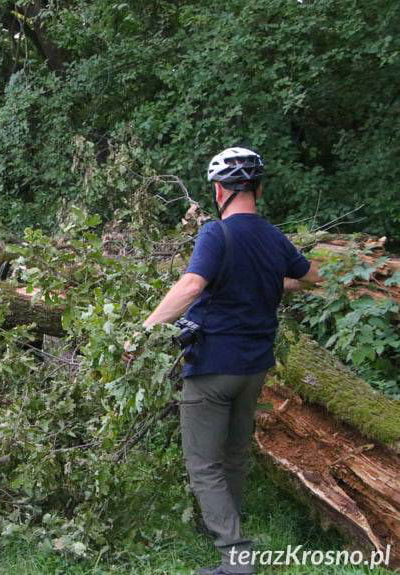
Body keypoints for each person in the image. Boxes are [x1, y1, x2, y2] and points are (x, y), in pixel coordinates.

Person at [143, 147, 321, 575]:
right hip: (255, 366)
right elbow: (313, 277)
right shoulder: (273, 236)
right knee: (234, 454)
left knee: (203, 463)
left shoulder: (215, 234)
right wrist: (267, 281)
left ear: (219, 190)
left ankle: (236, 557)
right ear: (258, 188)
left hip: (213, 366)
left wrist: (143, 330)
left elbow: (190, 285)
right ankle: (224, 524)